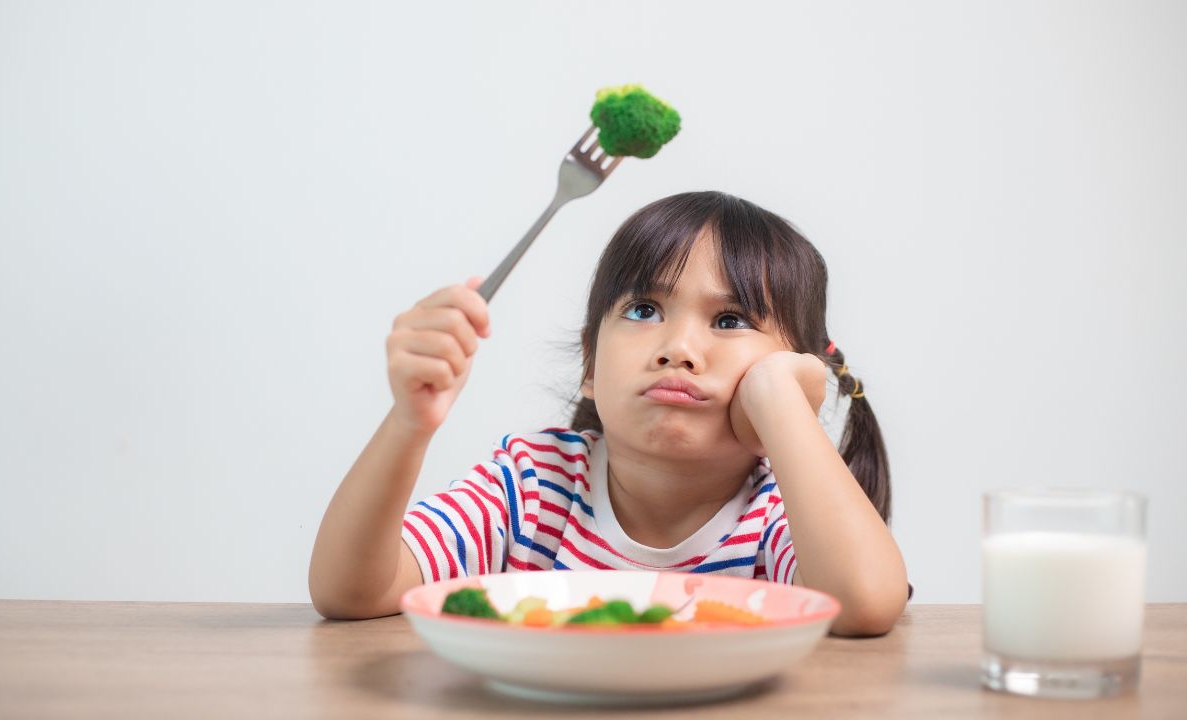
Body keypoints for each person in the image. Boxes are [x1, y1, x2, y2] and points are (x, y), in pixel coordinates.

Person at [309, 191, 909, 635]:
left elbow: (863, 603)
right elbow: (352, 591)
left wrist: (782, 403)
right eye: (645, 310)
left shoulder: (780, 512)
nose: (679, 348)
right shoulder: (533, 484)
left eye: (730, 321)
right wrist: (409, 425)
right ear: (590, 365)